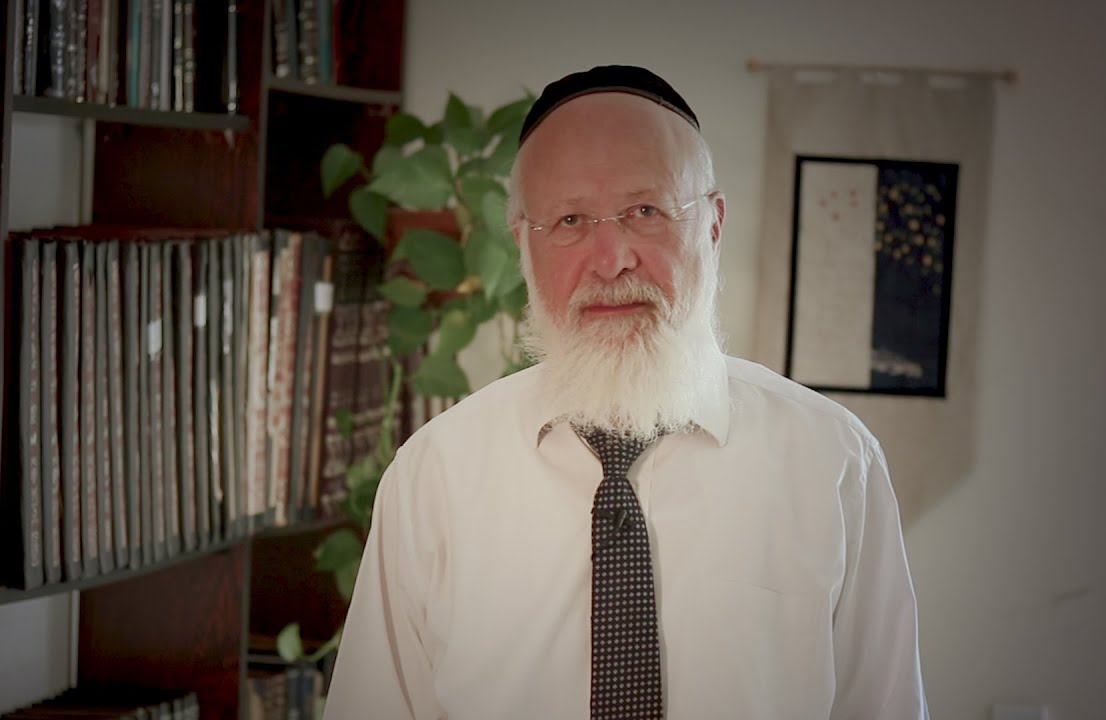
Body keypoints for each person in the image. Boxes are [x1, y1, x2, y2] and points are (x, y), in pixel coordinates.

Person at [324, 65, 929, 720]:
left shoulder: (834, 463)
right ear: (523, 243)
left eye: (646, 212)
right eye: (569, 220)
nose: (611, 259)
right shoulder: (433, 478)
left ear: (713, 225)